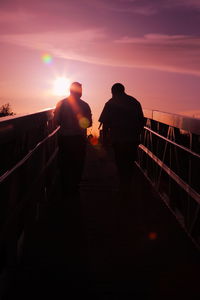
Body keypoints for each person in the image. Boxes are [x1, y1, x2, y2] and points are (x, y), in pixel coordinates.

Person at [99, 83, 144, 192]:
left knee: (120, 162)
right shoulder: (134, 102)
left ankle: (123, 185)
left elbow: (105, 123)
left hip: (118, 139)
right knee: (130, 162)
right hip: (132, 139)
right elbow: (141, 120)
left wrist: (104, 140)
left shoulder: (110, 103)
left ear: (113, 92)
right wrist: (138, 134)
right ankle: (128, 184)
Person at [54, 82, 92, 194]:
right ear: (80, 92)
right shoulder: (85, 105)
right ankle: (75, 186)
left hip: (64, 137)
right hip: (79, 139)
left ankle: (65, 186)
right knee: (78, 162)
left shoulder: (61, 103)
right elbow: (88, 124)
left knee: (64, 162)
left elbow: (56, 121)